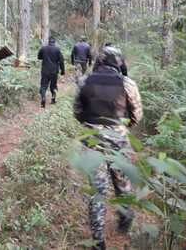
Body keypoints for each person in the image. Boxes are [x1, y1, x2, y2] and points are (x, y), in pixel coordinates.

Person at [73, 46, 143, 250]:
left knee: (97, 190)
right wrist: (123, 127)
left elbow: (78, 111)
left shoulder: (85, 81)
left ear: (99, 61)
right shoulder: (127, 83)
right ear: (118, 62)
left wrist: (92, 125)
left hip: (92, 142)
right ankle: (125, 219)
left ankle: (98, 241)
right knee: (122, 182)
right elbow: (136, 115)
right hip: (119, 141)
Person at [37, 36, 65, 108]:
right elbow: (61, 61)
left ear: (48, 41)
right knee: (53, 85)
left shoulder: (43, 48)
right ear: (54, 42)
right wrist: (62, 71)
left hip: (45, 70)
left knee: (43, 85)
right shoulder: (57, 49)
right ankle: (53, 99)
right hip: (54, 71)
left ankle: (43, 98)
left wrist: (45, 57)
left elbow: (39, 57)